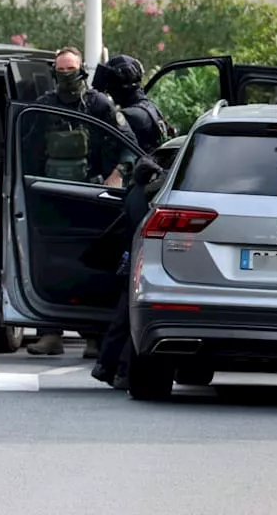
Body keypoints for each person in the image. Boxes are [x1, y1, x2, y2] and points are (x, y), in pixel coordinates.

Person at [26, 46, 136, 358]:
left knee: (92, 265)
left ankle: (93, 337)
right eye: (60, 71)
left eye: (70, 70)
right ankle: (49, 334)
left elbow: (128, 146)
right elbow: (28, 148)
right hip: (52, 197)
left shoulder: (100, 105)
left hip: (92, 197)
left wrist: (117, 175)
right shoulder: (44, 107)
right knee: (51, 264)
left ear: (82, 70)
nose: (65, 76)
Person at [90, 156, 167, 390]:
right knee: (133, 322)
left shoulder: (133, 194)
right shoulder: (152, 197)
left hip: (131, 260)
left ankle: (105, 366)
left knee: (122, 319)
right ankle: (121, 370)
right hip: (145, 263)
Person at [93, 54, 172, 152]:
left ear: (117, 85)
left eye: (110, 84)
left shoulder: (128, 116)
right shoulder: (150, 108)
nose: (108, 91)